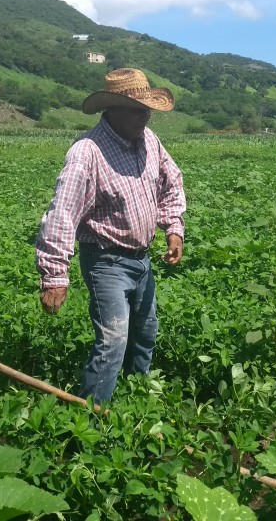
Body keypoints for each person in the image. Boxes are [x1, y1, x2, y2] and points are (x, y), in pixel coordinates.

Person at [35, 68, 186, 403]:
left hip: (142, 260)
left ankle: (135, 399)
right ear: (113, 110)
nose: (145, 116)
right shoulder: (87, 153)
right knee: (114, 339)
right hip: (106, 261)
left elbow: (170, 181)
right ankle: (93, 415)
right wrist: (55, 276)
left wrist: (173, 226)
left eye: (147, 109)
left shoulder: (149, 140)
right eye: (137, 109)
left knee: (145, 332)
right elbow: (63, 213)